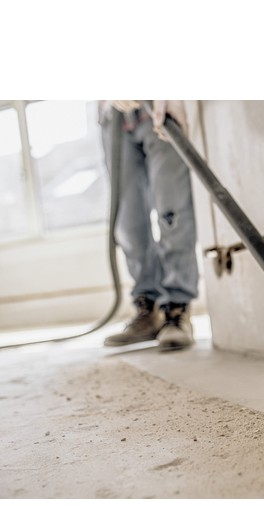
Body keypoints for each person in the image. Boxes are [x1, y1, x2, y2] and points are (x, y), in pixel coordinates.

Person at [100, 100, 199, 351]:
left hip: (159, 105)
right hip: (113, 114)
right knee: (128, 223)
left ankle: (177, 308)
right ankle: (148, 309)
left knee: (172, 212)